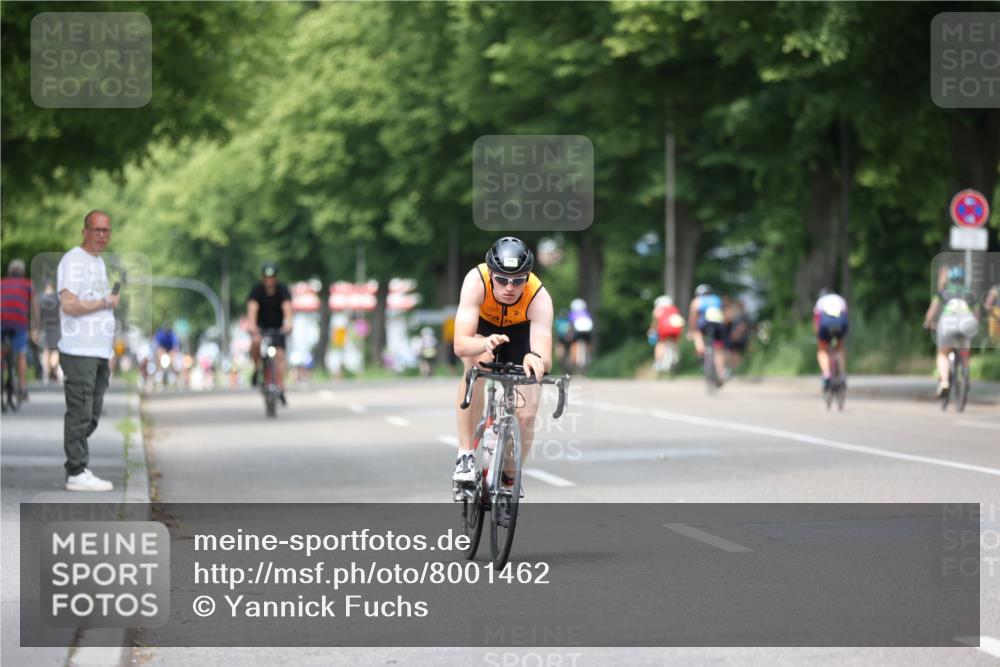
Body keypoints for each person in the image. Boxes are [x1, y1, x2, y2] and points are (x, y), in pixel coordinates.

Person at [452, 236, 553, 489]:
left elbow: (545, 356)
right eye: (502, 279)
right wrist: (484, 343)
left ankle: (509, 475)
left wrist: (535, 357)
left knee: (527, 414)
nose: (510, 287)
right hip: (483, 332)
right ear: (491, 274)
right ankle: (465, 456)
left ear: (527, 277)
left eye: (518, 280)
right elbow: (460, 344)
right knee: (477, 366)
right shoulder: (476, 281)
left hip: (521, 336)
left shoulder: (538, 296)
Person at [56, 210, 118, 492]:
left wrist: (109, 351)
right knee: (80, 412)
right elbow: (69, 304)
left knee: (91, 414)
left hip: (98, 352)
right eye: (97, 230)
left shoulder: (98, 262)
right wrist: (105, 302)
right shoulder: (74, 260)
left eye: (106, 230)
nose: (102, 235)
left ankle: (78, 464)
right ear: (84, 232)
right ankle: (76, 471)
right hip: (79, 350)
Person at [924, 266, 977, 397]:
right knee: (964, 350)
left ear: (950, 279)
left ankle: (944, 382)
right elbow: (976, 314)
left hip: (948, 323)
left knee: (942, 354)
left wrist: (928, 322)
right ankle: (965, 373)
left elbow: (932, 310)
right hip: (967, 323)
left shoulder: (942, 292)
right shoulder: (971, 293)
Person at [247, 262, 293, 405]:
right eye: (267, 277)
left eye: (272, 277)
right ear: (263, 278)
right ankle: (257, 368)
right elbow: (252, 309)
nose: (269, 280)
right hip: (261, 327)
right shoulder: (257, 290)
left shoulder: (282, 290)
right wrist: (252, 326)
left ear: (276, 277)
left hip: (278, 328)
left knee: (280, 355)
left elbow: (287, 308)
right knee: (255, 342)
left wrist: (289, 324)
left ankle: (281, 387)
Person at [1, 258, 37, 401]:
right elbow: (34, 307)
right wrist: (35, 325)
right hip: (19, 322)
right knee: (21, 354)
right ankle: (22, 388)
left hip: (1, 320)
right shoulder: (28, 284)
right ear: (22, 272)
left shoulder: (1, 283)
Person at [687, 283, 727, 383]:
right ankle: (721, 374)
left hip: (704, 324)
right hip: (718, 325)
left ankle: (701, 351)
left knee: (696, 333)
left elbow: (693, 317)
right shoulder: (717, 299)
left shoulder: (697, 301)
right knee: (719, 350)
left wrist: (691, 330)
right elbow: (724, 313)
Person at [813, 288, 849, 391]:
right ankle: (842, 374)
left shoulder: (820, 302)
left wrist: (818, 336)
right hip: (841, 323)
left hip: (825, 323)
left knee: (822, 350)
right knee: (839, 348)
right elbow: (846, 317)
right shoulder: (840, 299)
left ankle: (826, 374)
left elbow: (816, 322)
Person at [649, 295, 684, 373]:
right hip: (675, 330)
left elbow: (655, 321)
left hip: (663, 330)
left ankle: (658, 362)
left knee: (660, 343)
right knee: (674, 343)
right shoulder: (674, 309)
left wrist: (652, 329)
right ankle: (676, 358)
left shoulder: (658, 309)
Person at [37, 280, 62, 384]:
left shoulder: (40, 298)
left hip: (44, 328)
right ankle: (53, 368)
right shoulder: (57, 298)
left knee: (46, 350)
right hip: (55, 327)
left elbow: (38, 314)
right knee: (55, 350)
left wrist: (37, 327)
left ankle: (46, 373)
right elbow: (60, 312)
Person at [724, 298, 751, 375]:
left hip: (740, 338)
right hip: (736, 338)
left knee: (735, 354)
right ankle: (737, 370)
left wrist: (735, 334)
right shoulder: (737, 315)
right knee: (733, 354)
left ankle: (739, 370)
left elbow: (743, 326)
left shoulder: (742, 315)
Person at [567, 298, 594, 372]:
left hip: (577, 334)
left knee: (573, 344)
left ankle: (573, 358)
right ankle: (589, 355)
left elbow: (570, 325)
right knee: (588, 343)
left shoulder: (572, 314)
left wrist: (569, 334)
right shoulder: (587, 313)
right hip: (587, 333)